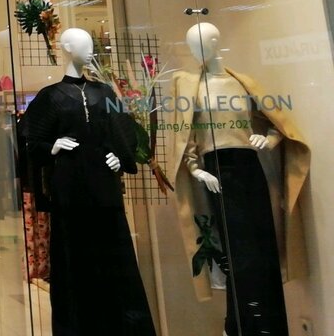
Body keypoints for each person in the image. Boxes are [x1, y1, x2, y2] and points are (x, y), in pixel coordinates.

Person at [170, 23, 309, 336]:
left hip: (249, 167)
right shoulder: (188, 84)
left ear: (215, 41)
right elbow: (184, 134)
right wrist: (196, 168)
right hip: (217, 171)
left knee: (261, 242)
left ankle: (267, 324)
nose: (194, 51)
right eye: (191, 45)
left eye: (199, 43)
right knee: (237, 249)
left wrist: (268, 140)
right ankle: (240, 324)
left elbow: (275, 123)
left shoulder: (243, 83)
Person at [21, 27, 155, 335]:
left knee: (115, 257)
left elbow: (121, 133)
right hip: (70, 190)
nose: (91, 49)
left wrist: (119, 158)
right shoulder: (50, 96)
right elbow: (31, 142)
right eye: (84, 44)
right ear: (67, 47)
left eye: (92, 44)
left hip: (105, 189)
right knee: (74, 260)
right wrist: (52, 146)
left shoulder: (104, 93)